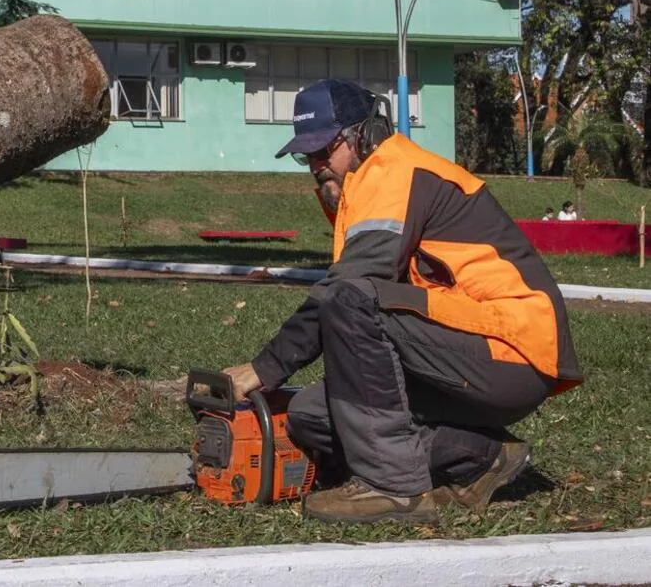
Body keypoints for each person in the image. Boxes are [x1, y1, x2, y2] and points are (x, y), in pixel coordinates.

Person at [222, 79, 582, 525]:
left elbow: (349, 293)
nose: (315, 165)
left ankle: (393, 489)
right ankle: (482, 458)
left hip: (511, 352)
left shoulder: (392, 171)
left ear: (365, 135)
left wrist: (264, 369)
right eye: (306, 155)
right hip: (470, 352)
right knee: (311, 414)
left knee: (352, 298)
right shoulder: (369, 185)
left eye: (323, 149)